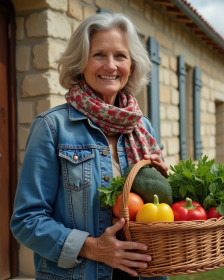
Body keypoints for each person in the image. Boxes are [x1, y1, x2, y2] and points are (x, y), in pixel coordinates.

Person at [10, 13, 168, 280]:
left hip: (145, 273)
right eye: (99, 55)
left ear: (131, 65)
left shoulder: (142, 127)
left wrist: (164, 185)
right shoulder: (52, 127)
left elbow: (153, 213)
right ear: (81, 62)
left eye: (120, 55)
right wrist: (93, 248)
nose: (111, 65)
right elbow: (27, 220)